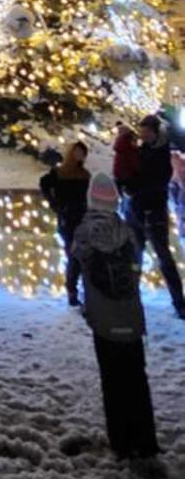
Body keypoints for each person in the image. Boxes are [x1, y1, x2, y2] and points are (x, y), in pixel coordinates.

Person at [72, 172, 158, 460]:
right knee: (137, 379)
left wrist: (76, 295)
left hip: (103, 318)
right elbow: (137, 268)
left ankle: (121, 442)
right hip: (131, 316)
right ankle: (145, 440)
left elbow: (76, 268)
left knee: (112, 381)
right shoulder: (127, 230)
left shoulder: (84, 233)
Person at [126, 114, 185, 317]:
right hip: (135, 210)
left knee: (164, 257)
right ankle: (130, 299)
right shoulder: (138, 152)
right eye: (141, 131)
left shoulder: (161, 152)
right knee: (135, 258)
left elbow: (159, 180)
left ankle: (179, 302)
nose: (143, 135)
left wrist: (137, 188)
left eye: (147, 131)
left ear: (154, 132)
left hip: (154, 211)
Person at [39, 141, 90, 305]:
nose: (78, 156)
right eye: (76, 152)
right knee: (73, 256)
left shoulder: (84, 174)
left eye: (81, 153)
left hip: (83, 218)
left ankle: (83, 290)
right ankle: (72, 291)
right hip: (68, 219)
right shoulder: (60, 173)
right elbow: (44, 184)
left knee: (83, 256)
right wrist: (56, 205)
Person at [113, 125, 140, 211]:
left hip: (118, 176)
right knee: (128, 202)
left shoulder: (119, 145)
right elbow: (134, 163)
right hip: (128, 177)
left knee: (119, 199)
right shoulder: (130, 147)